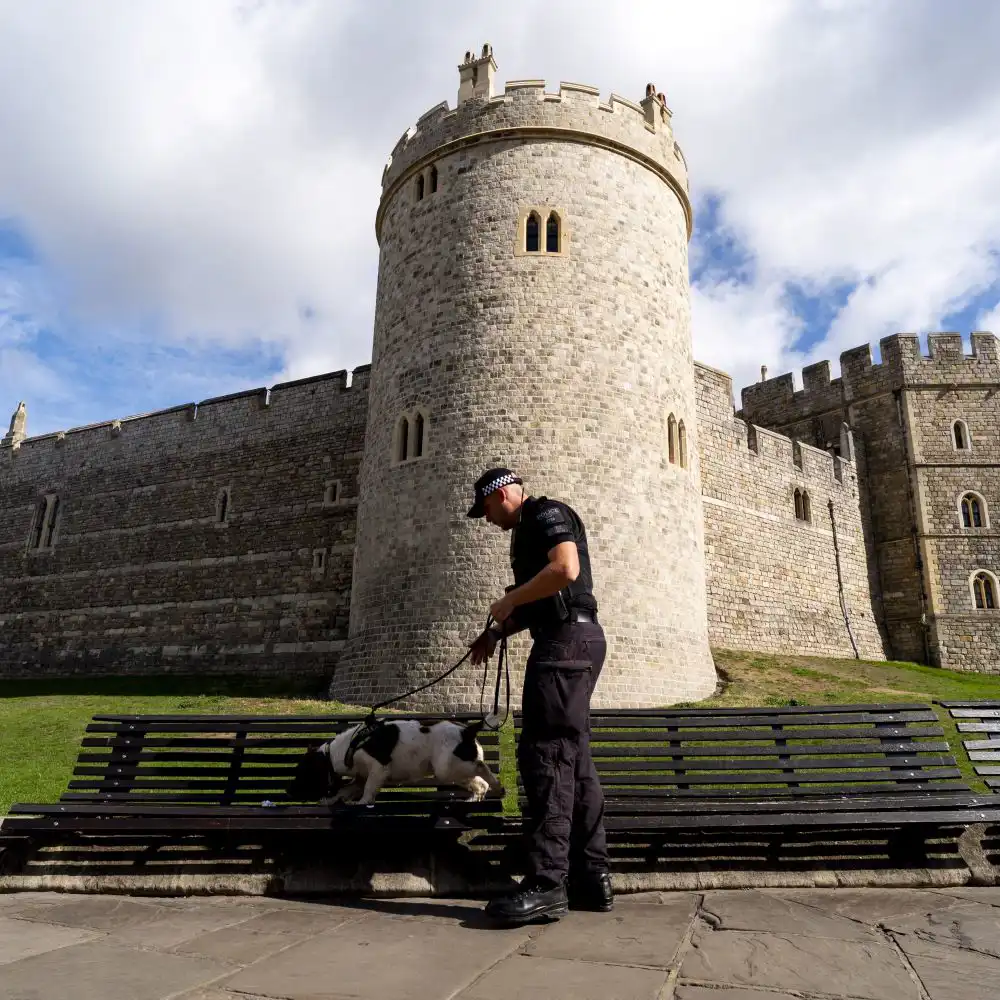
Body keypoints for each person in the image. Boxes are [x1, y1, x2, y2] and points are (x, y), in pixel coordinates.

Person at [466, 466, 612, 925]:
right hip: (576, 639)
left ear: (503, 493)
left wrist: (508, 602)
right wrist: (497, 630)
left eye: (486, 508)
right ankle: (592, 877)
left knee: (546, 756)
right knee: (575, 759)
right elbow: (544, 599)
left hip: (564, 645)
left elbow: (565, 570)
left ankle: (547, 883)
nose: (486, 519)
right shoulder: (525, 532)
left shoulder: (546, 514)